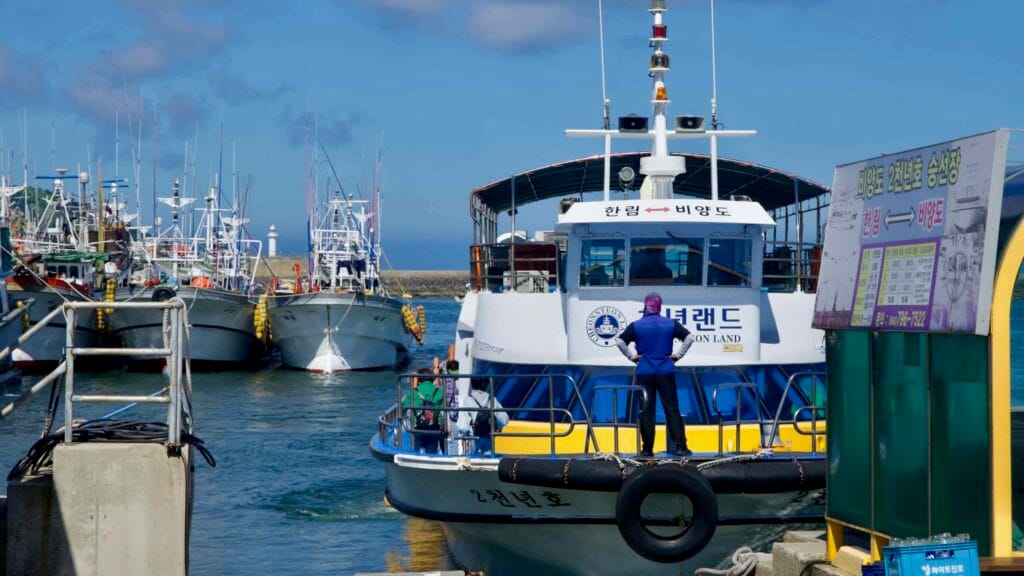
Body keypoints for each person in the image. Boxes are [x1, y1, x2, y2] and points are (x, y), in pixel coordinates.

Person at [615, 292, 695, 458]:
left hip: (645, 371)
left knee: (646, 410)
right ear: (660, 306)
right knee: (671, 408)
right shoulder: (670, 324)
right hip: (666, 370)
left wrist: (631, 356)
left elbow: (619, 341)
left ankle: (647, 449)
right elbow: (689, 338)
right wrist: (678, 355)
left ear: (646, 306)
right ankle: (681, 447)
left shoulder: (637, 325)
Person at [456, 377, 509, 455]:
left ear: (472, 384)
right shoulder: (492, 399)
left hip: (474, 437)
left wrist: (465, 434)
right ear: (486, 385)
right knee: (488, 456)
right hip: (488, 435)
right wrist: (498, 427)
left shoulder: (468, 399)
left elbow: (463, 426)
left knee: (473, 458)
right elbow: (504, 419)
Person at [401, 368, 444, 453]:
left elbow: (404, 406)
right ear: (433, 379)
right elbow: (443, 411)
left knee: (417, 452)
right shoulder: (439, 392)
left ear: (419, 379)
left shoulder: (414, 392)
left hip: (418, 427)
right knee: (432, 452)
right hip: (435, 428)